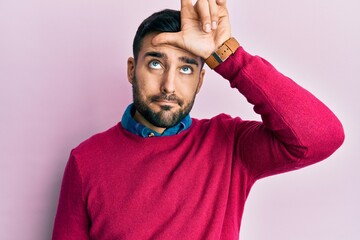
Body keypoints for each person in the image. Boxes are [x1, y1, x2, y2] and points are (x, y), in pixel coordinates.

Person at [52, 0, 344, 239]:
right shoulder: (86, 160)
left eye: (186, 69)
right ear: (132, 70)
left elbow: (322, 136)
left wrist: (230, 58)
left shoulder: (229, 145)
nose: (169, 85)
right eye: (155, 63)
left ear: (201, 80)